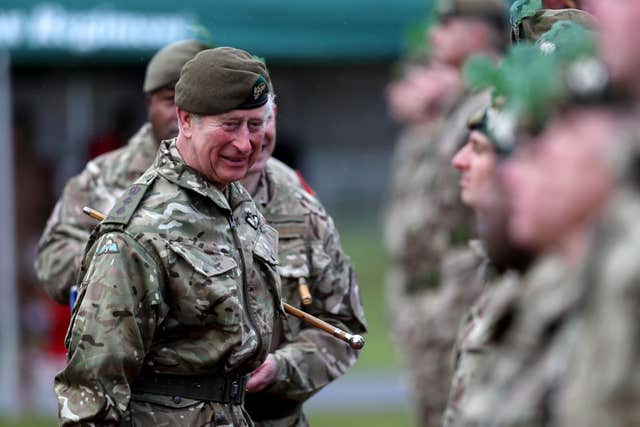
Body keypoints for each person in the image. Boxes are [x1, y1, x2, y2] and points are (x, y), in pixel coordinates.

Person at [55, 47, 281, 426]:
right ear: (185, 120)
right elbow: (90, 396)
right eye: (229, 125)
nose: (245, 144)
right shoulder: (137, 232)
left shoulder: (236, 204)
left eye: (254, 125)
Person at [383, 0, 505, 424]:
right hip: (441, 283)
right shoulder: (462, 107)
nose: (435, 34)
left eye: (446, 23)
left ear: (475, 34)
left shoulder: (487, 103)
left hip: (463, 279)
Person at [35, 39, 209, 305]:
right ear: (149, 103)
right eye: (170, 100)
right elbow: (52, 264)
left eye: (198, 103)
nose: (182, 115)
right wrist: (120, 257)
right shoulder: (102, 176)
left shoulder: (251, 175)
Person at [239, 84, 367, 426]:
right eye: (243, 123)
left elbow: (342, 328)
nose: (260, 135)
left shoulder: (300, 205)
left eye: (265, 120)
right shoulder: (164, 204)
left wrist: (280, 367)